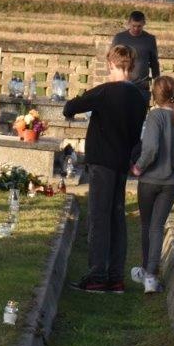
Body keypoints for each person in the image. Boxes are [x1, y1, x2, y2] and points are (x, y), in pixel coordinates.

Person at [63, 45, 149, 292]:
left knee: (99, 218)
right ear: (131, 66)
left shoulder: (104, 91)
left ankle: (97, 275)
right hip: (122, 162)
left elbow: (71, 107)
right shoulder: (139, 97)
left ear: (111, 64)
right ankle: (116, 276)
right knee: (117, 218)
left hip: (102, 162)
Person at [130, 76, 174, 293]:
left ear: (155, 95)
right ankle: (151, 275)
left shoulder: (155, 116)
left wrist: (138, 167)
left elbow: (150, 149)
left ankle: (147, 271)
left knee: (147, 226)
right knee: (158, 226)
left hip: (150, 179)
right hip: (172, 182)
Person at [111, 10, 160, 101]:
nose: (136, 29)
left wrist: (157, 83)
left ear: (144, 23)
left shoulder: (150, 39)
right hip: (121, 86)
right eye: (134, 26)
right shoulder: (119, 38)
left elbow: (154, 63)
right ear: (129, 23)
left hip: (142, 88)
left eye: (139, 26)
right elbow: (111, 60)